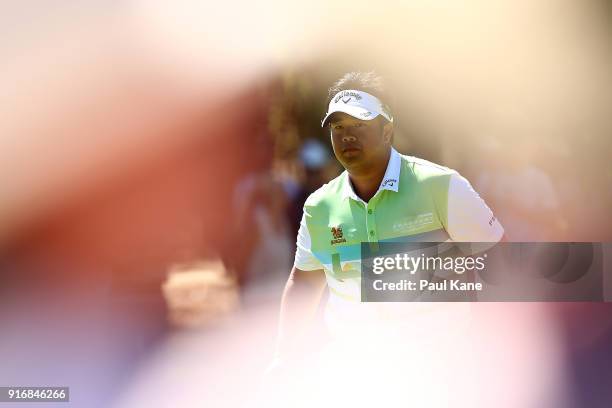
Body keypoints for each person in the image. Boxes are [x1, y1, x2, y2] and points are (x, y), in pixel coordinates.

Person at [271, 71, 506, 371]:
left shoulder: (441, 185)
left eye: (359, 123)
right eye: (338, 126)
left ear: (386, 130)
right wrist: (283, 357)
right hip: (356, 373)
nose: (347, 135)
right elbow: (304, 283)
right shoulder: (320, 206)